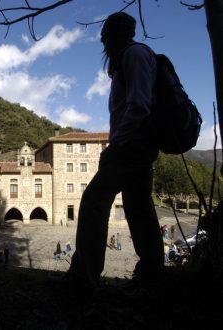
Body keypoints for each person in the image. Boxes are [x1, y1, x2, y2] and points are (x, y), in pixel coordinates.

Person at [66, 12, 164, 292]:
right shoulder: (131, 58)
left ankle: (83, 278)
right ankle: (153, 276)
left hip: (132, 144)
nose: (104, 43)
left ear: (111, 35)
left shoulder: (133, 55)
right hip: (140, 145)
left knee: (94, 200)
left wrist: (115, 144)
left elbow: (138, 106)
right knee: (139, 208)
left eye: (105, 36)